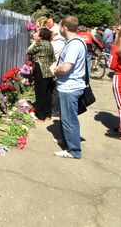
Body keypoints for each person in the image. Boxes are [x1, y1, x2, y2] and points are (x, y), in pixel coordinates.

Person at [50, 16, 86, 159]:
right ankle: (67, 141)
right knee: (66, 118)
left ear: (64, 27)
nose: (59, 29)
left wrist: (55, 70)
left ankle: (73, 151)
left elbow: (65, 67)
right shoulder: (76, 41)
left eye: (60, 26)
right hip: (69, 86)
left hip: (70, 87)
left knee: (69, 119)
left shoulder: (74, 45)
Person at [26, 28, 56, 122]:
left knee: (40, 94)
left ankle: (41, 116)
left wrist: (34, 42)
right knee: (47, 93)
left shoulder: (40, 43)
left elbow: (28, 52)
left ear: (41, 35)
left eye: (37, 32)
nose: (35, 34)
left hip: (40, 70)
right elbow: (53, 58)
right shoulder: (49, 43)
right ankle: (48, 115)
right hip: (49, 71)